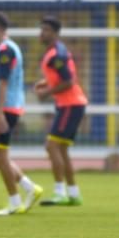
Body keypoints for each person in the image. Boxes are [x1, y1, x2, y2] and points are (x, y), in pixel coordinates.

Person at [0, 12, 42, 216]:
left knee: (0, 156)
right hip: (3, 108)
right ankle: (29, 188)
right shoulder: (6, 49)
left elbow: (3, 82)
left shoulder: (6, 50)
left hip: (6, 109)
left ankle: (15, 201)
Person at [34, 16, 88, 206]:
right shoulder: (56, 52)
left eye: (46, 30)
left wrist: (47, 92)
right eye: (41, 29)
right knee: (62, 150)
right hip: (71, 104)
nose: (42, 33)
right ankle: (73, 194)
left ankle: (60, 192)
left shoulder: (57, 54)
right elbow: (63, 77)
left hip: (70, 104)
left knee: (51, 146)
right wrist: (46, 83)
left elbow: (69, 81)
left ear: (55, 33)